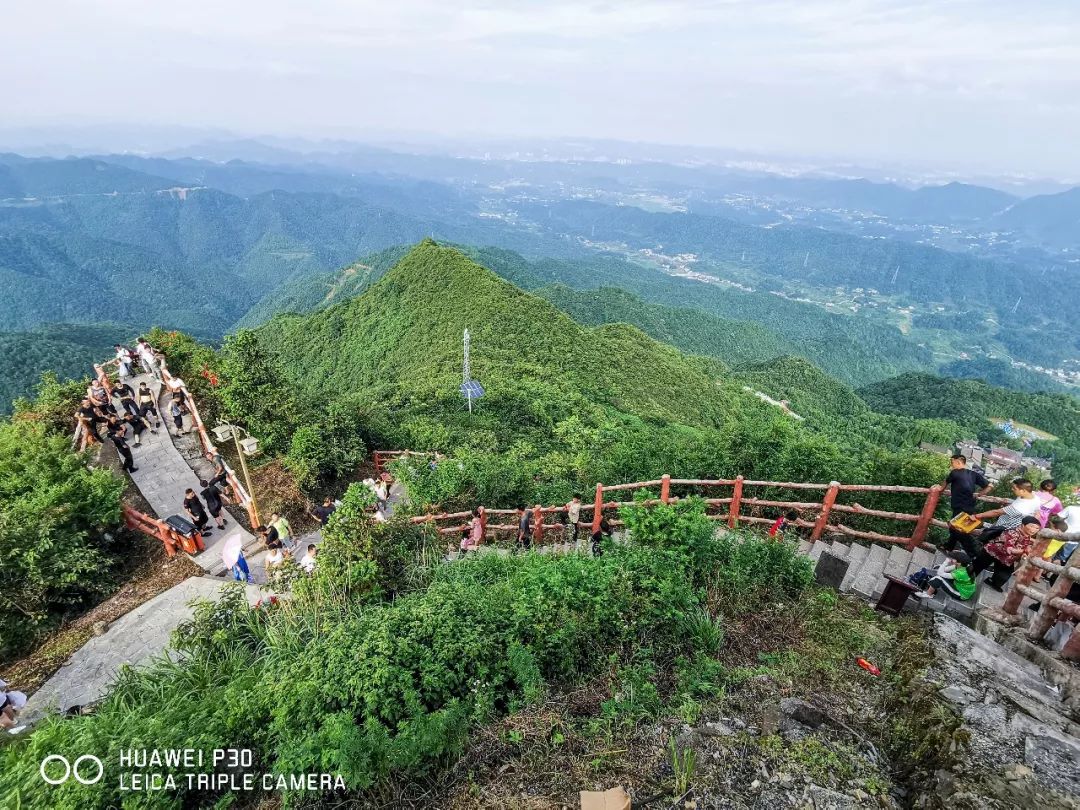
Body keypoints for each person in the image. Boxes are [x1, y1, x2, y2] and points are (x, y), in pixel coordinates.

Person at [970, 515, 1041, 591]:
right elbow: (1009, 550)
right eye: (1032, 526)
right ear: (1023, 525)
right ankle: (964, 579)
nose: (1034, 530)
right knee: (977, 567)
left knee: (1005, 572)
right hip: (992, 551)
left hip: (1005, 558)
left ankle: (993, 582)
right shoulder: (1012, 533)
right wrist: (1025, 551)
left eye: (1037, 528)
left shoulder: (1027, 536)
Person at [943, 454, 992, 555]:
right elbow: (990, 486)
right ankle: (948, 546)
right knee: (955, 528)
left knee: (959, 531)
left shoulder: (954, 473)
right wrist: (979, 495)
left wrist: (939, 489)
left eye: (952, 462)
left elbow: (944, 483)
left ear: (958, 462)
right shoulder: (973, 474)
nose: (951, 465)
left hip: (959, 506)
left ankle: (973, 553)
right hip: (969, 506)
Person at [973, 478, 1041, 531]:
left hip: (1005, 529)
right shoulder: (1035, 496)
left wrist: (977, 516)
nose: (1012, 489)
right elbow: (1037, 513)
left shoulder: (1019, 507)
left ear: (1023, 491)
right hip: (1013, 526)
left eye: (1014, 488)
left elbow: (996, 512)